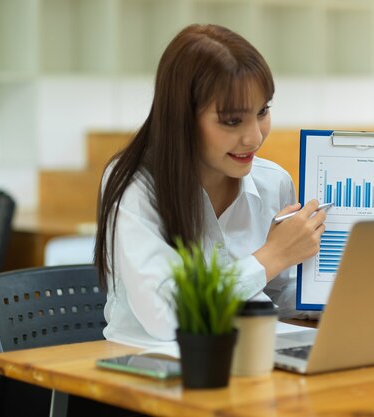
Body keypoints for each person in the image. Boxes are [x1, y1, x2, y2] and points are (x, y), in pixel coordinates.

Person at [94, 24, 326, 348]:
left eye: (262, 112)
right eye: (232, 121)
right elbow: (169, 316)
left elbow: (270, 291)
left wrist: (322, 299)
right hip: (150, 373)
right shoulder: (135, 186)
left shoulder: (273, 183)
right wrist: (272, 255)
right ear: (182, 118)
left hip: (252, 359)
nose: (255, 137)